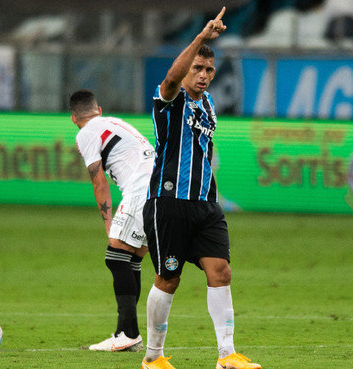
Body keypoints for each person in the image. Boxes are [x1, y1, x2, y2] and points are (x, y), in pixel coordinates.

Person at [140, 7, 261, 369]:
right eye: (198, 68)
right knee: (169, 278)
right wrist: (201, 39)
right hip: (169, 202)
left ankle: (227, 355)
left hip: (205, 206)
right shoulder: (170, 99)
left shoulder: (208, 105)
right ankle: (153, 357)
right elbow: (170, 77)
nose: (205, 75)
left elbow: (204, 154)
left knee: (220, 270)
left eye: (209, 69)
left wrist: (213, 195)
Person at [69, 89, 154, 352]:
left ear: (74, 118)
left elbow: (99, 182)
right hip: (161, 186)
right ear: (99, 110)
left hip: (140, 189)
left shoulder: (84, 133)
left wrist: (109, 225)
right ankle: (124, 334)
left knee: (115, 256)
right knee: (132, 260)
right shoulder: (116, 122)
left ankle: (128, 334)